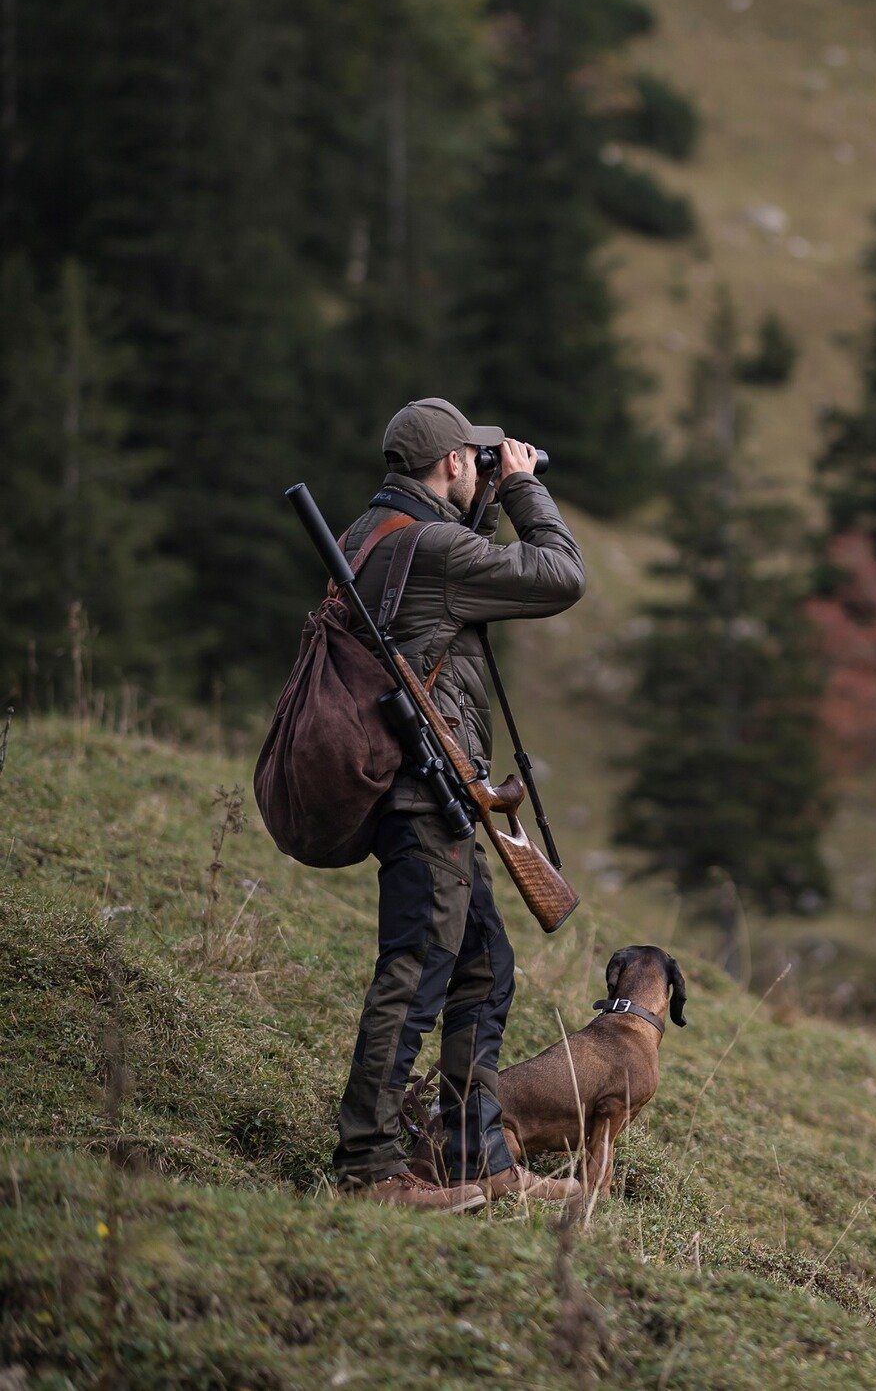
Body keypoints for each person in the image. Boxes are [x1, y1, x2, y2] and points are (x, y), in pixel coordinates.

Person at [332, 397, 586, 1213]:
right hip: (423, 792)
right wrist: (520, 490)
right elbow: (560, 575)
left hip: (420, 789)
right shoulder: (434, 547)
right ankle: (368, 1171)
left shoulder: (370, 533)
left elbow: (445, 586)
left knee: (482, 966)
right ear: (451, 464)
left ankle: (473, 1156)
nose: (484, 464)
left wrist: (485, 496)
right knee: (414, 978)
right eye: (474, 457)